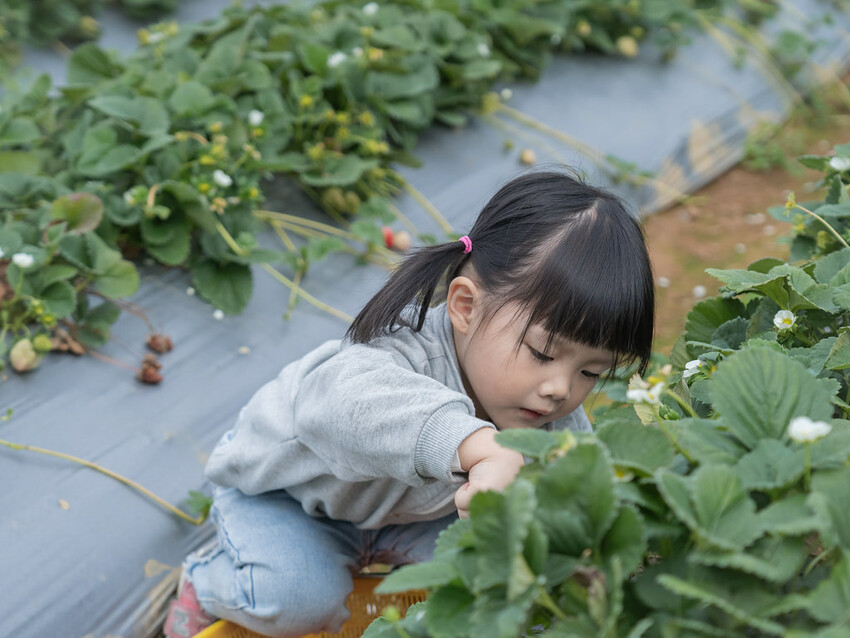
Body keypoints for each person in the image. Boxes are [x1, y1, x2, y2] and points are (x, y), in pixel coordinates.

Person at [163, 169, 655, 638]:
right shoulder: (401, 352)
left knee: (493, 588)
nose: (560, 389)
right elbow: (341, 405)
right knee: (299, 601)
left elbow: (571, 493)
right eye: (543, 353)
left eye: (591, 372)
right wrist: (475, 443)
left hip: (406, 514)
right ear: (466, 307)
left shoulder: (550, 408)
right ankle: (206, 588)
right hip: (290, 499)